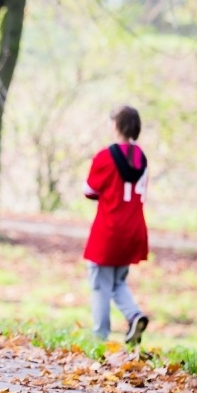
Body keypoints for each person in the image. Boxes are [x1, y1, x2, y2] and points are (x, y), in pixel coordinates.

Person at [83, 105, 149, 345]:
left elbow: (89, 190)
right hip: (134, 230)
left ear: (116, 126)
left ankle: (100, 336)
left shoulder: (105, 156)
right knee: (118, 281)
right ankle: (134, 316)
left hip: (109, 230)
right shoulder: (142, 158)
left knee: (100, 283)